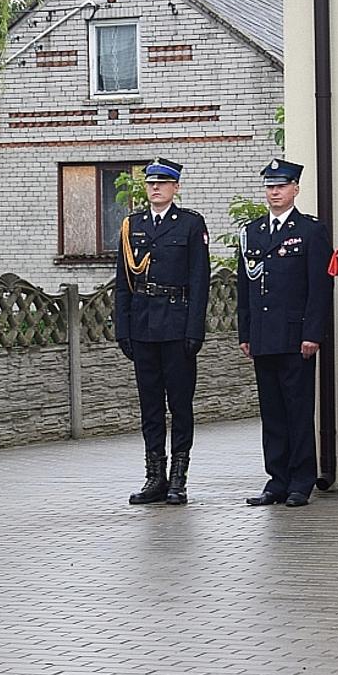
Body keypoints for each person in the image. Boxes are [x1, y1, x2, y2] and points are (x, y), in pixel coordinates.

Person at [114, 158, 212, 505]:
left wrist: (194, 328)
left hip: (176, 323)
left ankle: (178, 478)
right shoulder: (132, 225)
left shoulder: (189, 224)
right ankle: (154, 476)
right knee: (150, 405)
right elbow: (123, 283)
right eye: (151, 183)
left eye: (163, 183)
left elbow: (200, 281)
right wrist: (122, 328)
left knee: (180, 404)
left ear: (176, 188)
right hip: (143, 325)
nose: (155, 188)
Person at [237, 159, 331, 508]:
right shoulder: (253, 232)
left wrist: (313, 333)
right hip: (263, 336)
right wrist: (245, 331)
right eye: (270, 187)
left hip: (295, 337)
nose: (274, 192)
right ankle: (277, 479)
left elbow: (318, 288)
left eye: (281, 186)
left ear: (295, 189)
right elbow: (244, 286)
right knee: (272, 412)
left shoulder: (309, 231)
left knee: (297, 409)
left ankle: (301, 480)